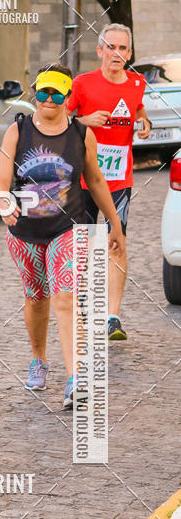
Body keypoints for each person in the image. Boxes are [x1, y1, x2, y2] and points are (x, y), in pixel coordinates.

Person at [0, 62, 125, 408]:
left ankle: (75, 379)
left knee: (65, 296)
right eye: (42, 91)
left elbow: (95, 180)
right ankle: (39, 358)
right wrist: (5, 204)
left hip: (68, 229)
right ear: (34, 92)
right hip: (24, 233)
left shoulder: (82, 134)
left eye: (56, 92)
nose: (48, 98)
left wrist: (114, 223)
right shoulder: (17, 132)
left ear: (68, 95)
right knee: (37, 298)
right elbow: (0, 181)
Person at [67, 23, 151, 340]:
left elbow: (138, 108)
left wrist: (144, 121)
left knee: (117, 243)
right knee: (86, 245)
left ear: (129, 54)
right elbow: (58, 119)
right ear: (99, 50)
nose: (117, 53)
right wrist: (84, 121)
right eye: (111, 47)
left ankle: (112, 318)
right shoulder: (83, 84)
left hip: (119, 179)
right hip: (86, 179)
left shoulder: (137, 83)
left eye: (123, 48)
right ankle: (87, 310)